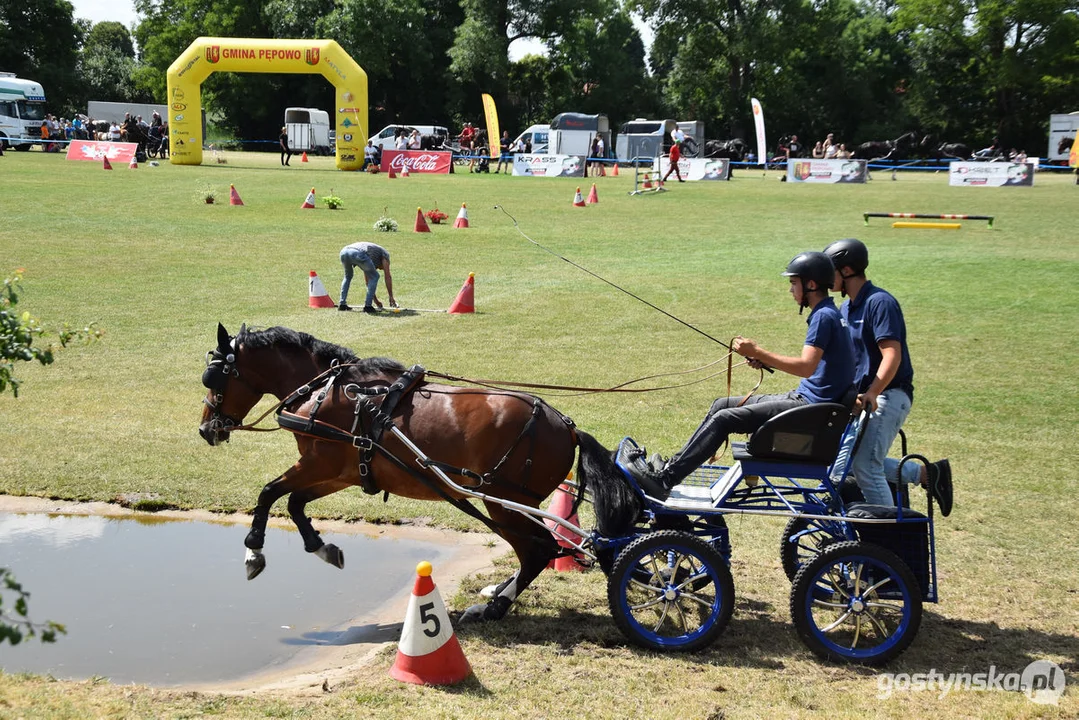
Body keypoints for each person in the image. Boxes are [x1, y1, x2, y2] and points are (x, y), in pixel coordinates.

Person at [625, 252, 855, 500]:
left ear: (811, 284)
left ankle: (665, 480)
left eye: (793, 283)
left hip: (811, 409)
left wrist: (758, 352)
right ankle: (672, 467)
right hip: (809, 402)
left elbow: (805, 367)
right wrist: (762, 357)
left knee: (725, 419)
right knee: (721, 405)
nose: (791, 290)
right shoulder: (829, 313)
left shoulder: (823, 316)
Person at [823, 238, 952, 515]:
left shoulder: (879, 302)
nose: (824, 278)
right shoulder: (846, 309)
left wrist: (873, 392)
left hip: (889, 394)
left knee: (866, 467)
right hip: (865, 399)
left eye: (829, 270)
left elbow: (892, 354)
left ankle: (891, 541)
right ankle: (927, 475)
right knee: (852, 463)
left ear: (846, 270)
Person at [339, 241, 397, 313]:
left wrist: (376, 301)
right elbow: (387, 276)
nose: (379, 269)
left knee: (347, 276)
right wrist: (391, 297)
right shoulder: (385, 254)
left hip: (344, 251)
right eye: (381, 268)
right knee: (375, 276)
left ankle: (342, 304)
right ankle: (368, 307)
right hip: (358, 252)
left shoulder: (371, 256)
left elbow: (367, 281)